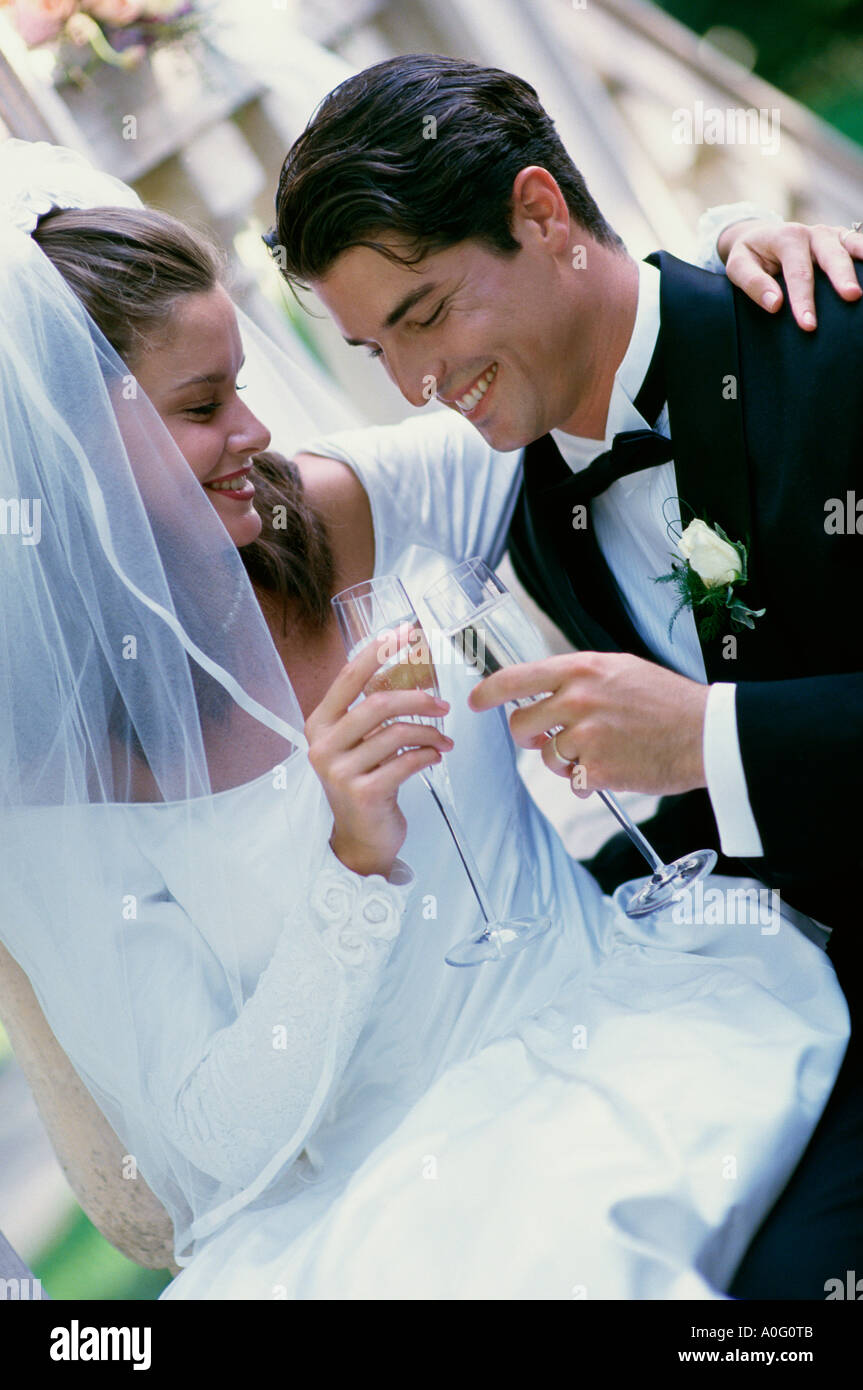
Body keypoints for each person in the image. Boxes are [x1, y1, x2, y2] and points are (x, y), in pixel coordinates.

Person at [0, 142, 848, 1300]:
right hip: (399, 1198)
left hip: (639, 1025)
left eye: (241, 384)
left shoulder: (335, 510)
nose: (253, 432)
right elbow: (197, 1147)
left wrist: (733, 262)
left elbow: (567, 356)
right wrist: (345, 870)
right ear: (63, 454)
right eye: (202, 406)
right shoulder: (48, 769)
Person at [268, 55, 863, 1297]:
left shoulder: (830, 335)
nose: (415, 386)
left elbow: (716, 749)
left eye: (424, 314)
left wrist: (706, 736)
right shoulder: (525, 493)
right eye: (378, 348)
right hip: (774, 983)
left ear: (541, 214)